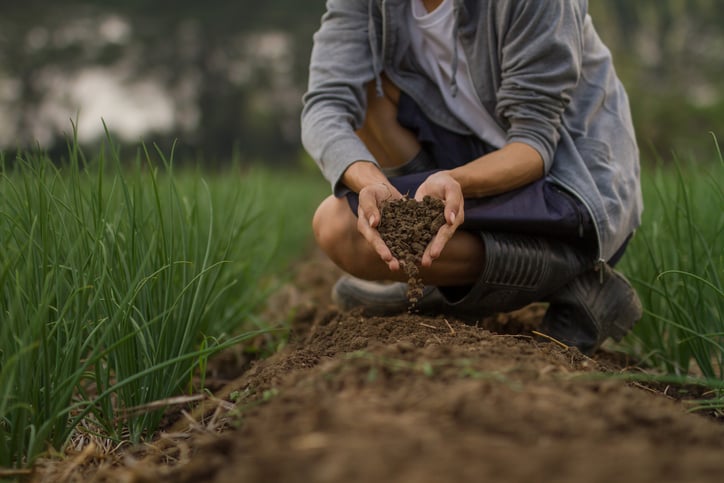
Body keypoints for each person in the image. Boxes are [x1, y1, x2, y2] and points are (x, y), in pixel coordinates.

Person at [301, 0, 643, 355]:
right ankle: (442, 270)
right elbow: (326, 103)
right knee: (367, 95)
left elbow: (534, 143)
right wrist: (370, 181)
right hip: (469, 153)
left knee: (338, 227)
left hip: (567, 179)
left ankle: (574, 275)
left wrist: (456, 181)